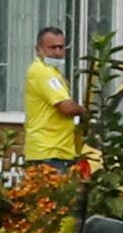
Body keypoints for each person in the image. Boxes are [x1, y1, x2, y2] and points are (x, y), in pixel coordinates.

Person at [19, 23, 84, 166]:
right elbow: (66, 107)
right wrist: (84, 111)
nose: (58, 52)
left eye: (61, 47)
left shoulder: (52, 71)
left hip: (55, 151)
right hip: (49, 152)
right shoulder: (43, 72)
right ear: (38, 50)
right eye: (52, 47)